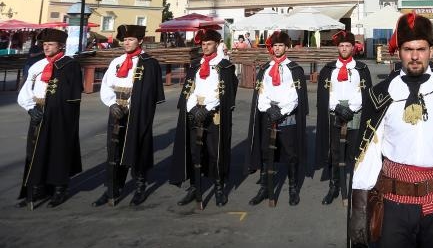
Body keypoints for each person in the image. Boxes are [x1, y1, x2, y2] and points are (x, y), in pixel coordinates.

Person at [349, 13, 433, 248]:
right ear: (399, 51)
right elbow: (368, 155)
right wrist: (360, 210)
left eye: (421, 49)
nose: (414, 56)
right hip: (393, 204)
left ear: (431, 51)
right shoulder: (380, 95)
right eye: (408, 49)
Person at [92, 25, 165, 206]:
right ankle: (112, 188)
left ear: (140, 41)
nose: (126, 43)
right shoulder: (116, 62)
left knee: (138, 149)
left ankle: (140, 187)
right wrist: (112, 104)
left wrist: (133, 107)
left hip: (138, 113)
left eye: (131, 39)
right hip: (116, 111)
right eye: (124, 40)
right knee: (113, 152)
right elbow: (107, 86)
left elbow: (149, 93)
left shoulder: (149, 63)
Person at [169, 29, 238, 208]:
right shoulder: (195, 65)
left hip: (214, 114)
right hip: (194, 112)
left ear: (216, 44)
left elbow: (225, 92)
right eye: (203, 44)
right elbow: (189, 88)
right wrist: (192, 108)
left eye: (208, 43)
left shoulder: (225, 66)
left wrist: (207, 109)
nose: (205, 47)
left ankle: (218, 186)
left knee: (215, 152)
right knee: (193, 151)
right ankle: (194, 186)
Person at [16, 28, 83, 208]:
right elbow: (25, 92)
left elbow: (73, 94)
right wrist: (31, 109)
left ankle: (59, 189)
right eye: (44, 45)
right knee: (35, 152)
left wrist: (60, 112)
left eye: (50, 44)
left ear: (60, 46)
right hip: (38, 112)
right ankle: (36, 188)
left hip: (60, 115)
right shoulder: (37, 66)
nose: (46, 48)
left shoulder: (70, 65)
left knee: (57, 151)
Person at [245, 30, 308, 206]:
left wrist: (282, 111)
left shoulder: (294, 69)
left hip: (287, 115)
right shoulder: (265, 69)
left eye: (281, 45)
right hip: (268, 115)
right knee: (266, 152)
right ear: (271, 48)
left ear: (286, 47)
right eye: (275, 45)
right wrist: (268, 109)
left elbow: (295, 96)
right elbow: (261, 93)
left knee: (290, 153)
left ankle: (293, 189)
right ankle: (264, 188)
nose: (278, 48)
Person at [314, 30, 372, 205]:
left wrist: (352, 107)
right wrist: (337, 107)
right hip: (335, 112)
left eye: (347, 45)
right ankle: (334, 187)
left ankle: (355, 188)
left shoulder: (361, 68)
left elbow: (365, 92)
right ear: (337, 47)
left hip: (355, 113)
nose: (344, 48)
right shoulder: (329, 69)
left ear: (353, 47)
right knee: (335, 152)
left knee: (355, 152)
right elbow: (325, 93)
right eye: (341, 45)